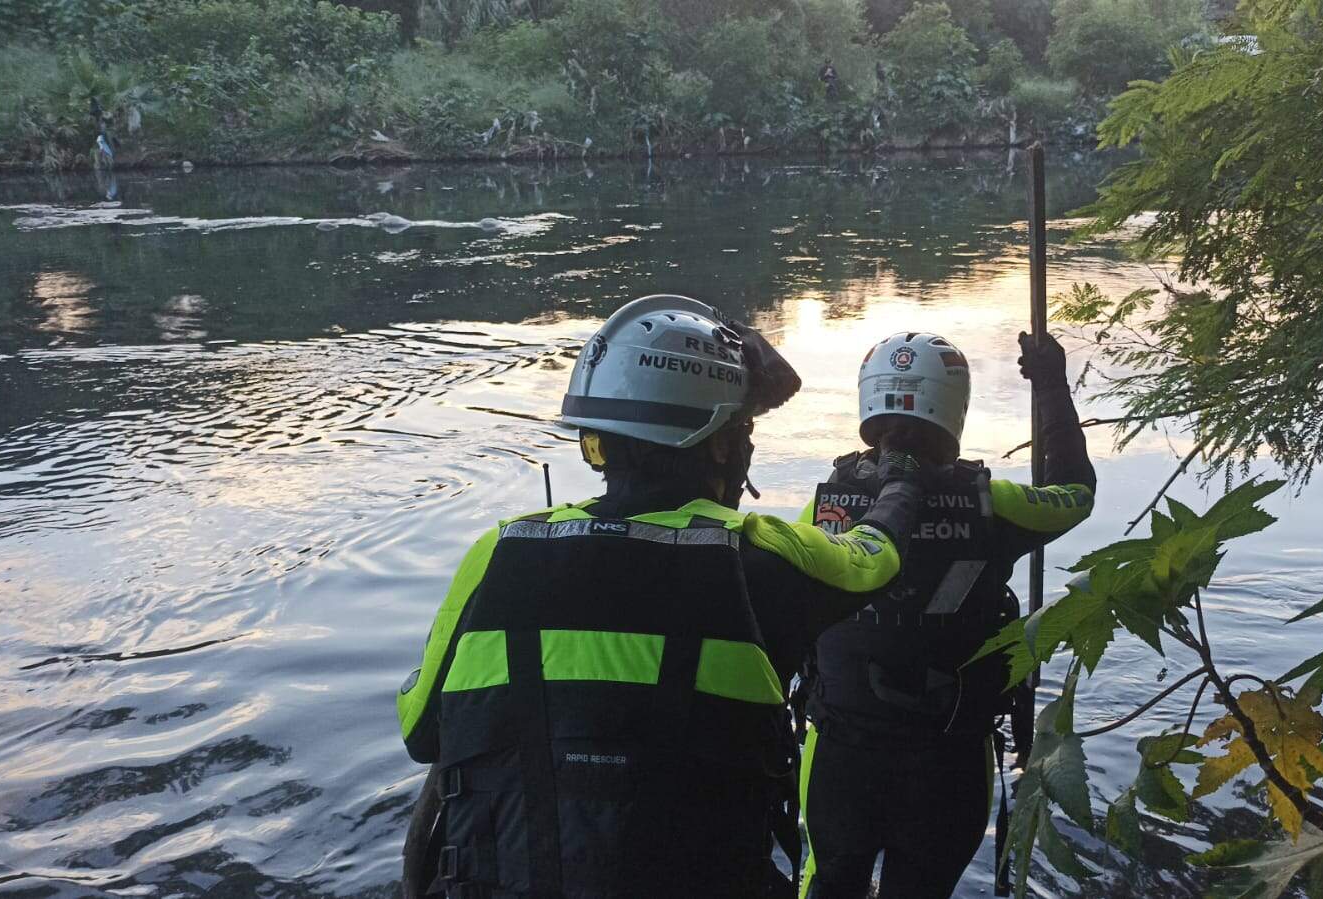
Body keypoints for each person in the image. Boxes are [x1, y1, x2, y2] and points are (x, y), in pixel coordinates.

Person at [397, 295, 932, 898]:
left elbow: (421, 732)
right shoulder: (760, 556)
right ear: (723, 447)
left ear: (600, 441)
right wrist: (901, 480)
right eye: (744, 432)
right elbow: (875, 559)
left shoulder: (498, 550)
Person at [797, 330, 1096, 899]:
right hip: (950, 761)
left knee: (829, 883)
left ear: (869, 401)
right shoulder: (992, 505)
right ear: (954, 406)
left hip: (840, 758)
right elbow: (1075, 493)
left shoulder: (822, 509)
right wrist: (1051, 386)